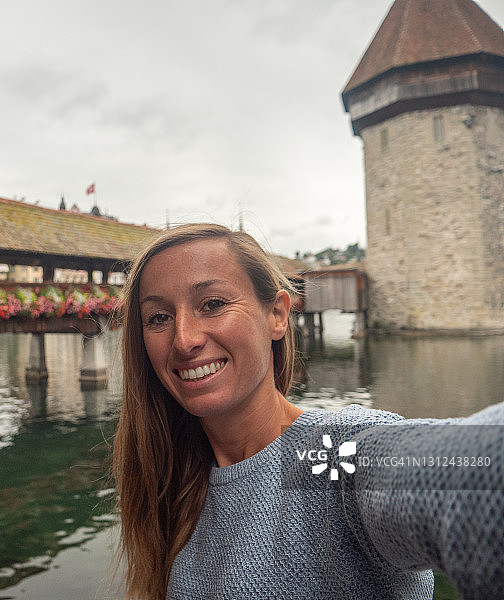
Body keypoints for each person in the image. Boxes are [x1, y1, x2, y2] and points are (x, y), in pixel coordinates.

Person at [112, 223, 504, 600]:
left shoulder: (328, 456)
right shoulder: (174, 482)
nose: (184, 339)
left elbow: (468, 470)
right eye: (159, 317)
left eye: (213, 304)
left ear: (277, 315)